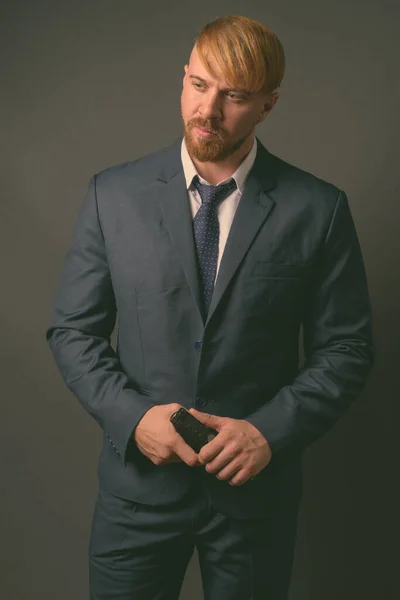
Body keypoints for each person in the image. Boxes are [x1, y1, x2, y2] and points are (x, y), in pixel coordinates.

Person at [46, 14, 374, 600]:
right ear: (183, 79)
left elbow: (346, 348)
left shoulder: (318, 209)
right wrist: (133, 417)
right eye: (199, 85)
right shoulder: (111, 195)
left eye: (235, 95)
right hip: (136, 497)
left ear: (268, 105)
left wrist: (268, 432)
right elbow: (73, 331)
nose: (209, 109)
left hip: (255, 499)